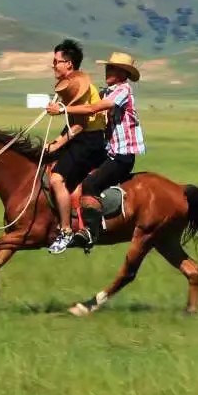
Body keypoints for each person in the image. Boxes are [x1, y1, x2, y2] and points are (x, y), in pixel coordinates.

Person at [46, 50, 145, 251]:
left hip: (122, 155)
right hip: (109, 151)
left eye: (114, 69)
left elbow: (93, 109)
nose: (108, 71)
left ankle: (90, 232)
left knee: (91, 185)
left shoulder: (123, 91)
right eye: (108, 67)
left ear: (124, 74)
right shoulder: (106, 91)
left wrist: (63, 110)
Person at [42, 39, 108, 252]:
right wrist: (57, 141)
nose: (54, 65)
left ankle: (65, 231)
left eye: (57, 61)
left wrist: (57, 144)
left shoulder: (77, 86)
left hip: (89, 140)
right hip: (85, 137)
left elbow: (79, 125)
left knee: (56, 179)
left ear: (68, 64)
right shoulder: (73, 83)